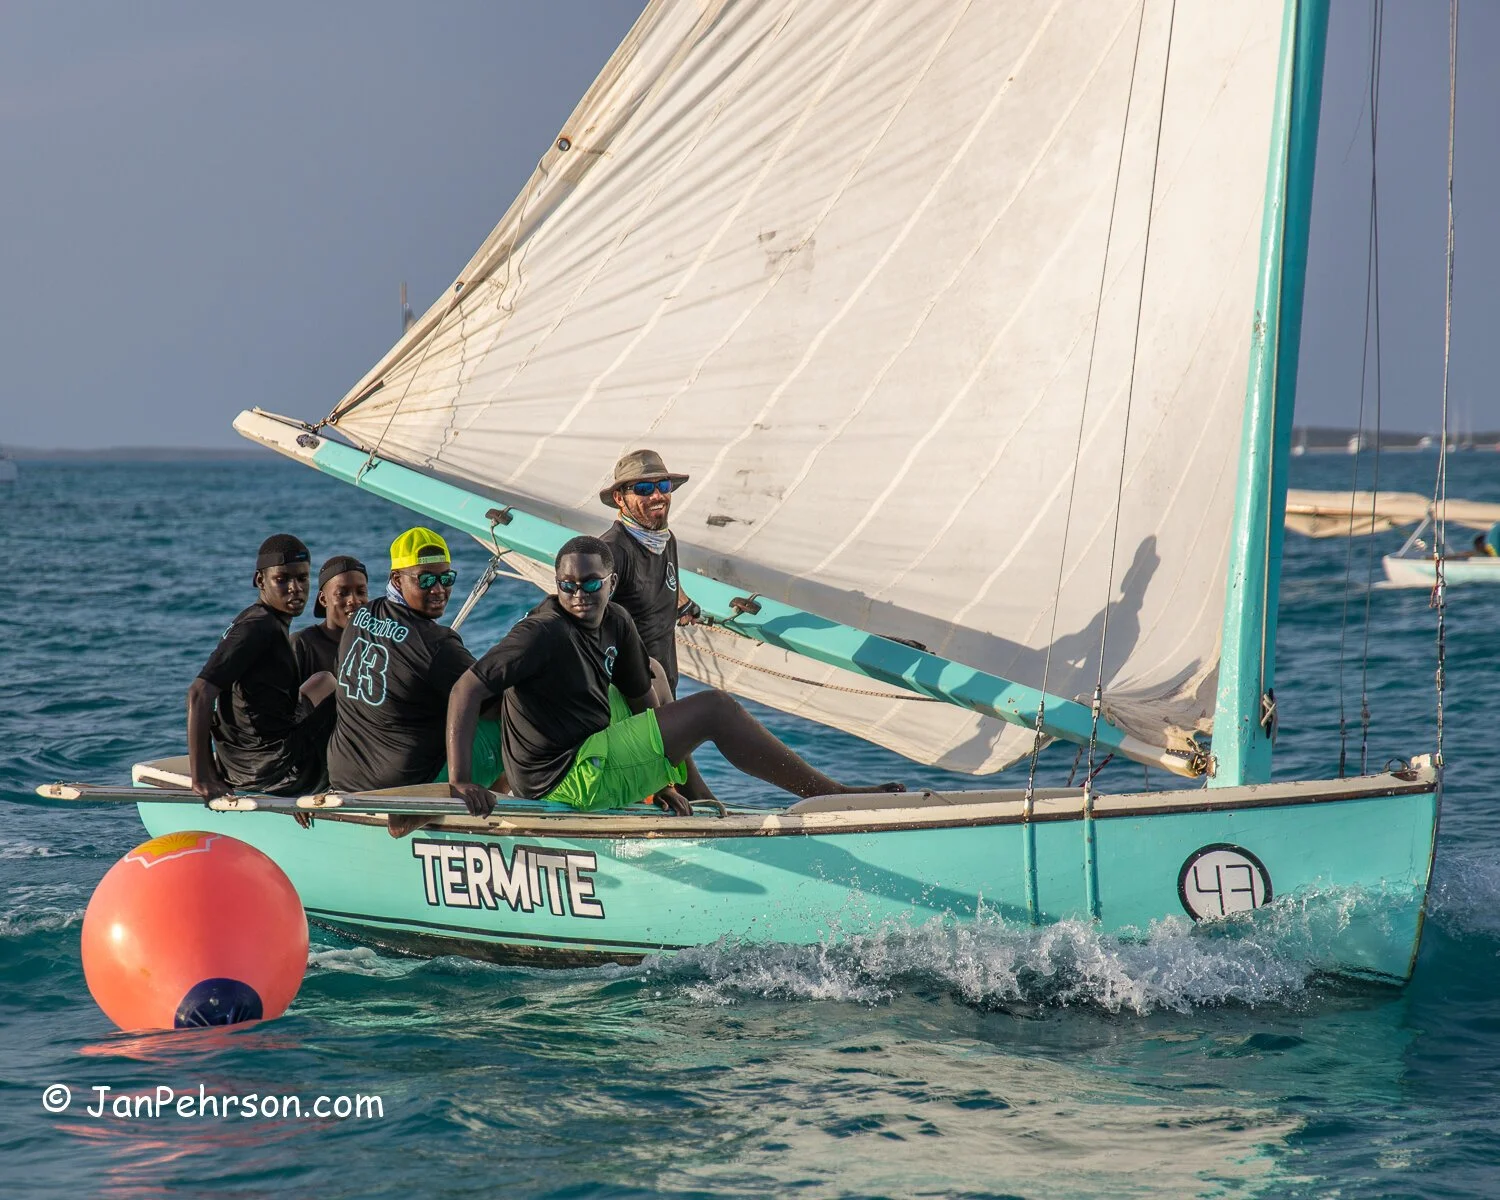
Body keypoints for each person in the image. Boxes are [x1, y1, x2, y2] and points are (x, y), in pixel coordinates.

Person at [444, 536, 904, 818]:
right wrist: (463, 780)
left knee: (647, 679)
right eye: (566, 585)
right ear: (557, 583)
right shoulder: (539, 633)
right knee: (716, 708)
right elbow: (467, 688)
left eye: (589, 584)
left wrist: (658, 780)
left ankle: (689, 792)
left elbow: (645, 709)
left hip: (591, 752)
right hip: (564, 778)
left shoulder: (617, 621)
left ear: (610, 582)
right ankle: (832, 794)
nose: (578, 594)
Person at [325, 528, 503, 829]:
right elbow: (491, 705)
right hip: (401, 785)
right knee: (510, 727)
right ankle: (486, 821)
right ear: (397, 579)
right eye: (425, 579)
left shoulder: (359, 616)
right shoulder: (436, 644)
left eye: (446, 578)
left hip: (345, 776)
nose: (438, 589)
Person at [597, 449, 713, 800]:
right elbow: (585, 615)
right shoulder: (612, 551)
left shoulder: (665, 540)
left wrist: (684, 604)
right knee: (671, 793)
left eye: (663, 485)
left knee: (681, 787)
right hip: (632, 698)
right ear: (620, 497)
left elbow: (667, 583)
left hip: (665, 687)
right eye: (644, 489)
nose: (658, 495)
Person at [186, 534, 336, 800]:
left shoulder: (262, 619)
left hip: (253, 757)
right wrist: (203, 777)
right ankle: (340, 785)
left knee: (324, 681)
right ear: (260, 581)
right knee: (353, 698)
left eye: (302, 578)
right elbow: (199, 693)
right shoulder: (257, 628)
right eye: (282, 580)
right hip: (274, 771)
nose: (295, 588)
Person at [292, 555, 369, 680]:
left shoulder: (376, 644)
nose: (354, 600)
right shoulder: (301, 645)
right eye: (342, 594)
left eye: (361, 592)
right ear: (323, 599)